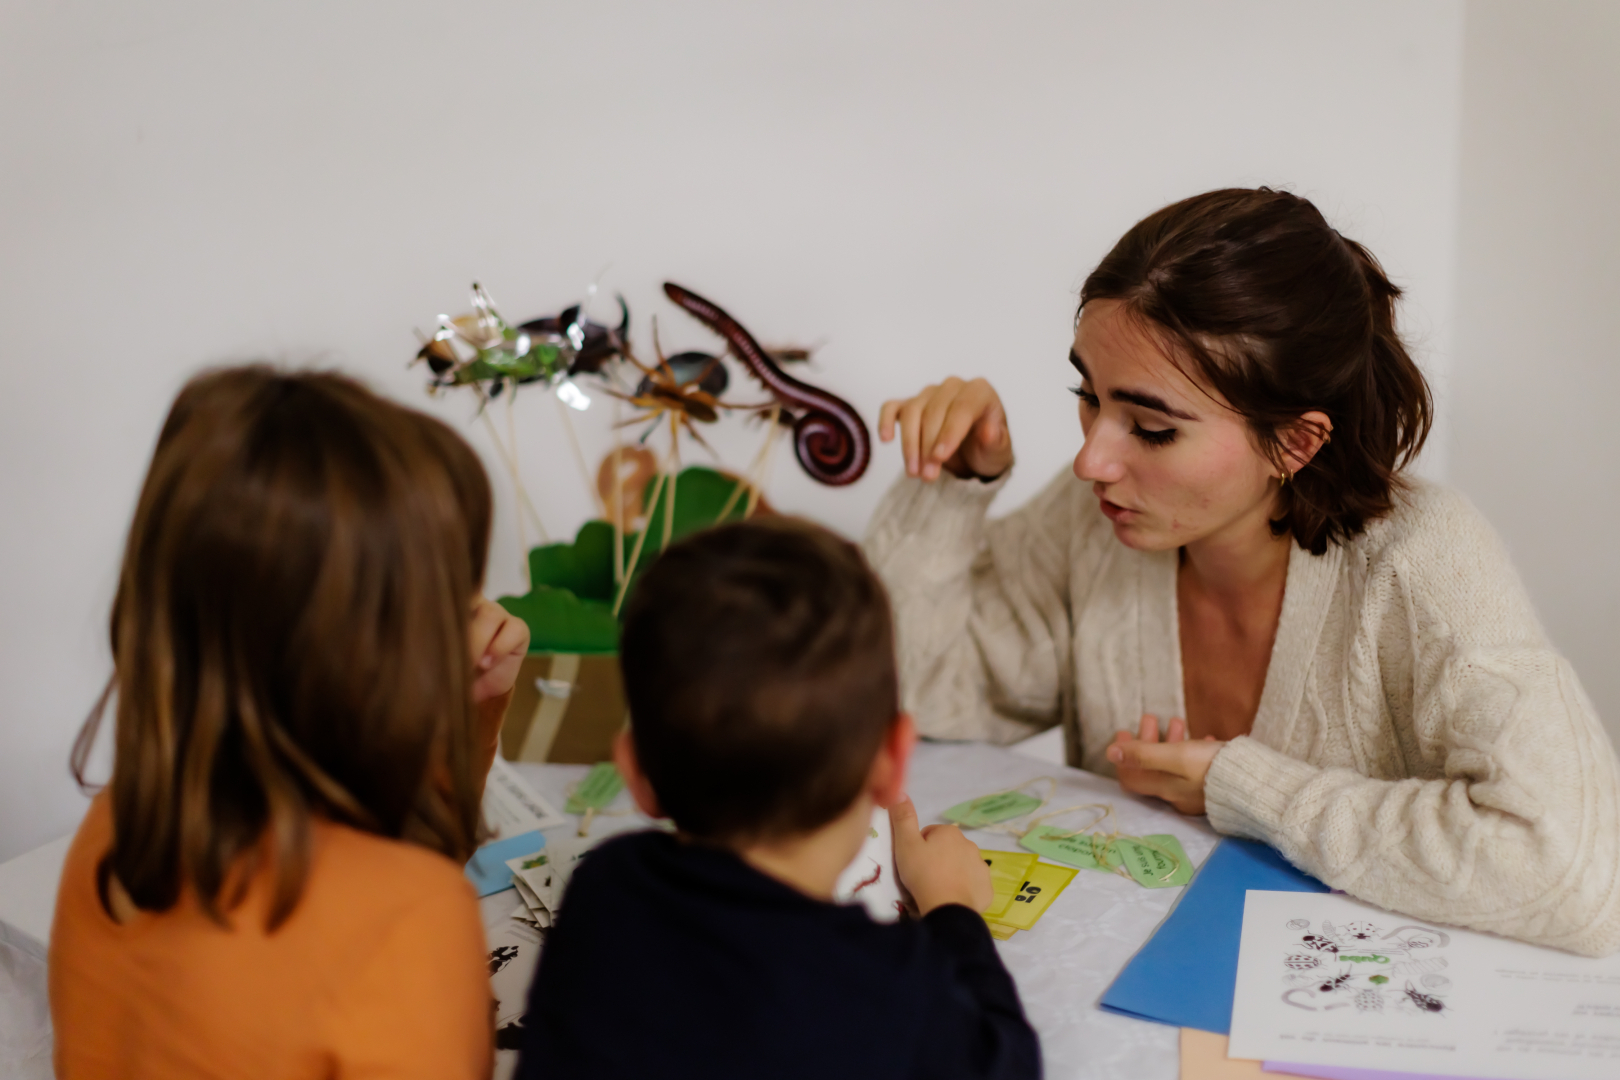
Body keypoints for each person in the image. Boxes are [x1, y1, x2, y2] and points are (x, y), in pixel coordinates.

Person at [868, 187, 1620, 957]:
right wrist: (949, 491)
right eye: (1087, 397)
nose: (1092, 457)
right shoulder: (1092, 518)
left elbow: (1575, 877)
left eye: (1152, 429)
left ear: (1295, 444)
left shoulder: (1426, 562)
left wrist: (1247, 790)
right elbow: (920, 700)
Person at [50, 367, 531, 1077]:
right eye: (446, 589)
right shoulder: (407, 919)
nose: (471, 608)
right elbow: (387, 902)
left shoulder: (116, 826)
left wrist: (465, 718)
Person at [517, 519, 1040, 1080]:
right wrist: (953, 905)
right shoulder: (884, 986)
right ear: (892, 763)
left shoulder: (605, 888)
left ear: (636, 773)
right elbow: (1009, 1061)